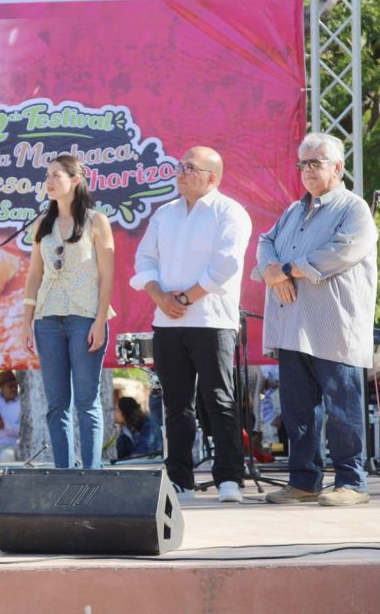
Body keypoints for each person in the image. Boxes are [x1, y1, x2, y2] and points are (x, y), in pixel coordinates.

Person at [254, 132, 377, 507]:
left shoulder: (353, 209)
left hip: (334, 325)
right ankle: (304, 481)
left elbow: (343, 251)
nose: (307, 170)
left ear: (337, 168)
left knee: (342, 408)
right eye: (302, 163)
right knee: (299, 409)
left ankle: (351, 484)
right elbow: (264, 242)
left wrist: (288, 270)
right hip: (294, 325)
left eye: (316, 163)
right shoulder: (293, 211)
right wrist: (271, 273)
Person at [131, 146, 250, 503]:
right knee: (175, 403)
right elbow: (144, 259)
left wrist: (184, 298)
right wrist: (159, 296)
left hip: (212, 320)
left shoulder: (230, 212)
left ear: (212, 177)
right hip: (167, 321)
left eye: (188, 167)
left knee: (218, 399)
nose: (179, 172)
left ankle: (230, 478)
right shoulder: (164, 213)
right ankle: (179, 480)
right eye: (179, 166)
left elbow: (225, 265)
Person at [22, 154, 115, 469]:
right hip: (47, 319)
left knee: (87, 402)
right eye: (46, 176)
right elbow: (34, 275)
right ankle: (63, 472)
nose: (48, 182)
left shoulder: (96, 221)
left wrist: (100, 320)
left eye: (55, 175)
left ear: (76, 179)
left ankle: (92, 474)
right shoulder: (42, 223)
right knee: (57, 404)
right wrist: (26, 322)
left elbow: (107, 275)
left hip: (85, 317)